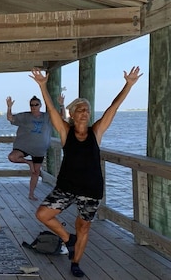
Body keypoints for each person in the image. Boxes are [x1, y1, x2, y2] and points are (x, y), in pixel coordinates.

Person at [30, 66, 142, 278]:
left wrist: (128, 85)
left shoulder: (96, 132)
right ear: (72, 114)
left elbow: (113, 108)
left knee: (83, 227)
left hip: (91, 189)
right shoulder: (65, 131)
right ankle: (67, 239)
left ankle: (76, 262)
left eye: (87, 110)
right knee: (42, 214)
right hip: (66, 187)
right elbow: (53, 111)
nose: (85, 112)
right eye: (80, 109)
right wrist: (43, 87)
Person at [6, 94, 65, 201]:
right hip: (23, 147)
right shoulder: (25, 116)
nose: (33, 107)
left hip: (39, 150)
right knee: (12, 157)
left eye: (36, 105)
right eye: (31, 105)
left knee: (35, 172)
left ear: (40, 105)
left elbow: (61, 117)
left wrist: (61, 105)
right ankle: (29, 162)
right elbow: (10, 118)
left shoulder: (47, 116)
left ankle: (31, 193)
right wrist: (9, 107)